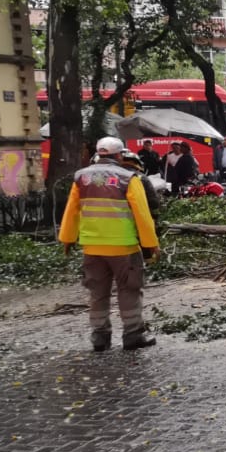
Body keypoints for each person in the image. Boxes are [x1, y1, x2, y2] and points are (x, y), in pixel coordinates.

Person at [58, 137, 159, 352]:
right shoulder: (128, 177)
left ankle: (100, 337)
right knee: (129, 289)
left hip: (92, 247)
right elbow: (142, 214)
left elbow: (71, 211)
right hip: (124, 246)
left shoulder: (81, 178)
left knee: (97, 292)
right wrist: (151, 244)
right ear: (119, 155)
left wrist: (67, 238)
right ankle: (132, 335)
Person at [118, 149, 160, 215]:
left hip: (115, 214)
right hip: (137, 215)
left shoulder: (113, 176)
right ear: (137, 163)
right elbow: (154, 202)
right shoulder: (141, 177)